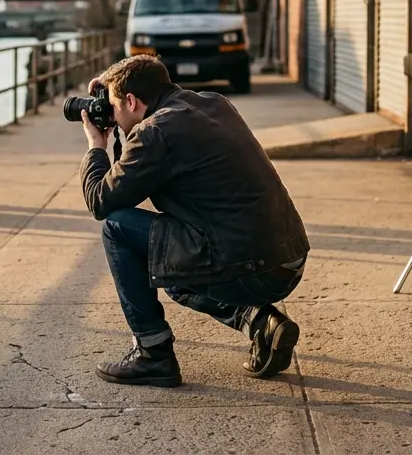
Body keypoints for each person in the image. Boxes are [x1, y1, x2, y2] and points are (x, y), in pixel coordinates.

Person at [79, 56, 309, 388]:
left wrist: (96, 146)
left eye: (113, 105)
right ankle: (259, 322)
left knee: (117, 227)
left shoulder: (156, 132)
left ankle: (152, 353)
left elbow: (101, 201)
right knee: (168, 267)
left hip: (255, 269)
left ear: (131, 101)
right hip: (288, 258)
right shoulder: (213, 103)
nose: (111, 114)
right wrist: (112, 82)